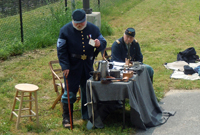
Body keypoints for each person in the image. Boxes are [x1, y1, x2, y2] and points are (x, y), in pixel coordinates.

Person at [57, 9, 107, 128]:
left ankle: (86, 115)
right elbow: (61, 50)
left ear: (85, 20)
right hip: (72, 66)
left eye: (82, 22)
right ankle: (67, 118)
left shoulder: (93, 28)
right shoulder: (65, 30)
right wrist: (65, 66)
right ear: (73, 21)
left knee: (87, 91)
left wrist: (99, 43)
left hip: (87, 65)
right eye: (77, 23)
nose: (79, 25)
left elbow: (102, 40)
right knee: (70, 93)